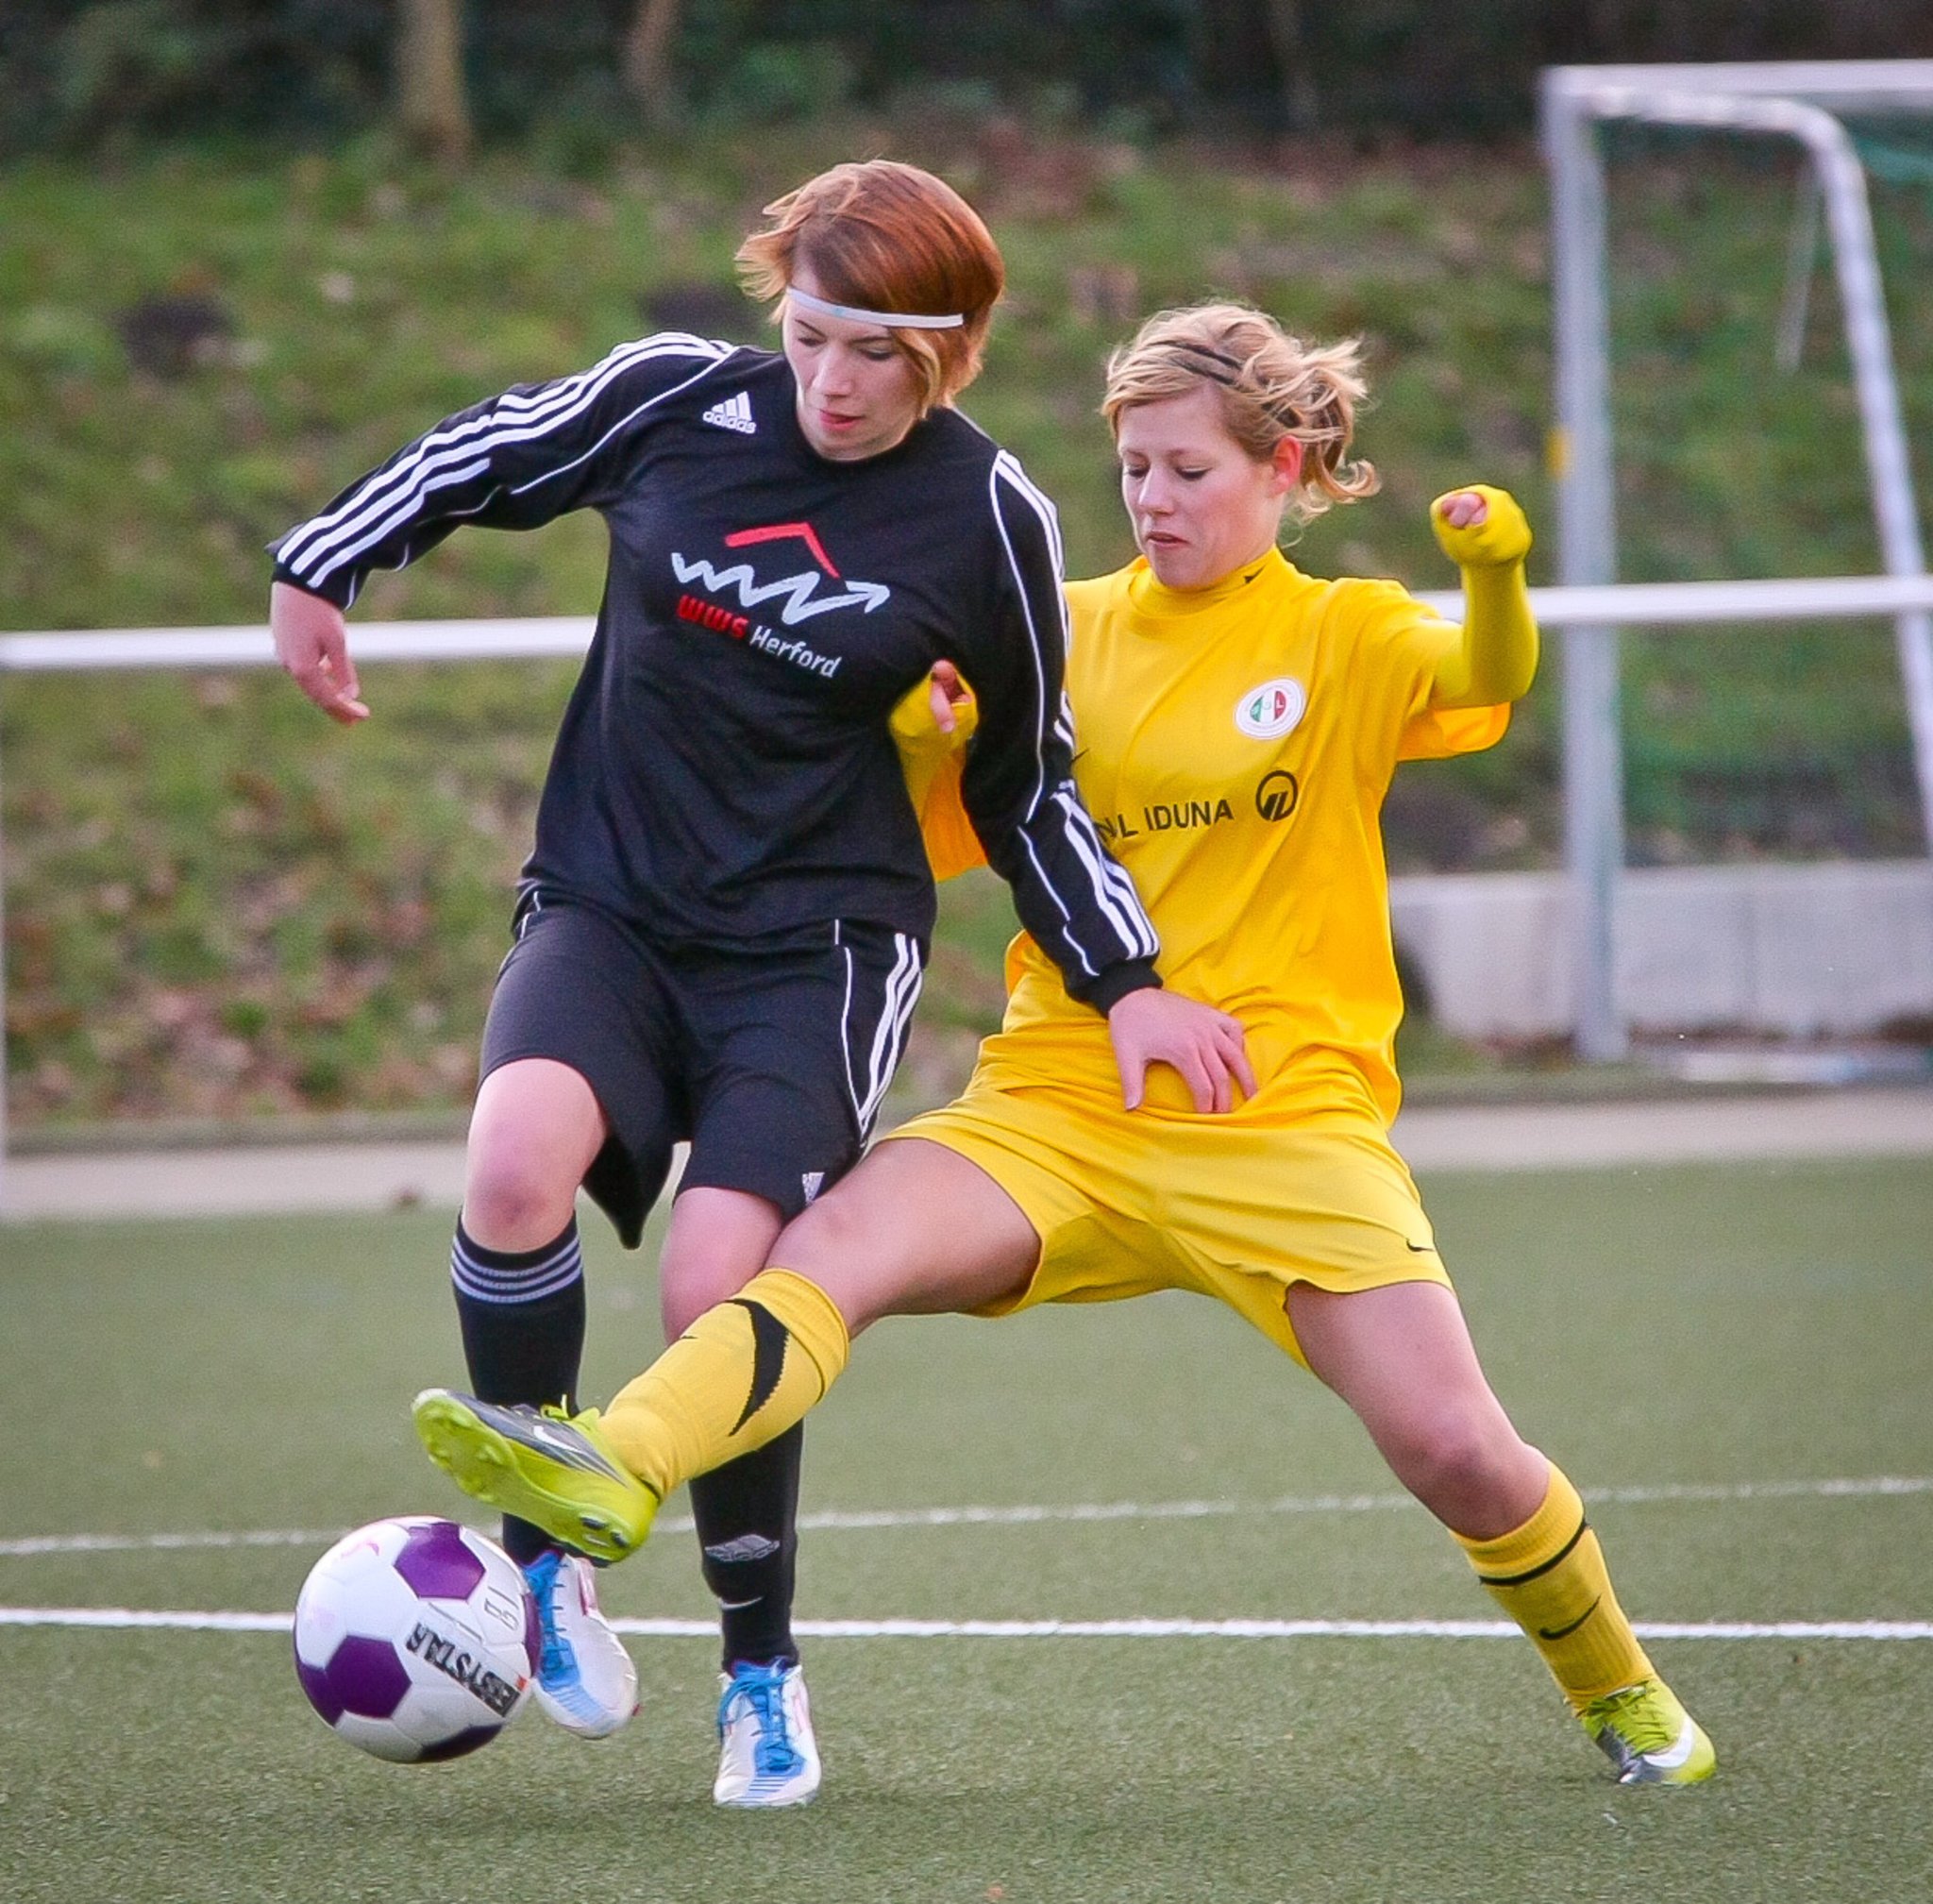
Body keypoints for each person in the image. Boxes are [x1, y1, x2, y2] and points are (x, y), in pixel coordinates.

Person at [411, 300, 1716, 1789]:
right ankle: (616, 1464)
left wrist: (1495, 571)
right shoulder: (1061, 625)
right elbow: (944, 838)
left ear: (1284, 468)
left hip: (1283, 1124)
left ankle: (1621, 1690)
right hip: (1056, 1103)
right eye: (1134, 469)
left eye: (1188, 471)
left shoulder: (1344, 635)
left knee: (1458, 1448)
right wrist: (923, 741)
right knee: (816, 1255)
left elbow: (1490, 674)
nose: (1153, 499)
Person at [270, 167, 1246, 1807]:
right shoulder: (675, 402)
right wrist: (326, 560)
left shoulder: (989, 514)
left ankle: (759, 1669)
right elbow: (493, 448)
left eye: (875, 352)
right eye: (808, 335)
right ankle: (543, 1568)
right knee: (511, 1164)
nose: (831, 381)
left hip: (817, 947)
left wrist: (1126, 978)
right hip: (613, 901)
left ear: (947, 353)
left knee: (718, 1286)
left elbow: (1025, 781)